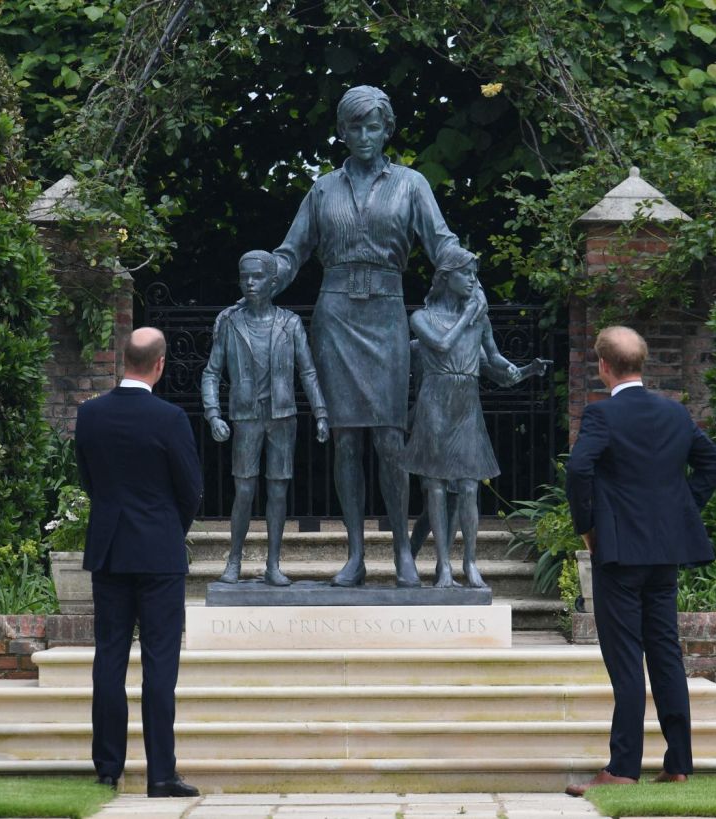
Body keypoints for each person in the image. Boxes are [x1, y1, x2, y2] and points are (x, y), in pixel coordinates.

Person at [273, 84, 473, 588]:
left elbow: (441, 240)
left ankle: (404, 551)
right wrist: (260, 279)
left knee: (389, 437)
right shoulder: (322, 189)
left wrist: (469, 279)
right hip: (336, 316)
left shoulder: (411, 184)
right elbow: (291, 252)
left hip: (385, 314)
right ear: (342, 131)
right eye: (355, 126)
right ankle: (356, 553)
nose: (364, 136)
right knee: (344, 441)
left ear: (388, 130)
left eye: (373, 126)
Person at [563, 326, 716, 796]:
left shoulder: (601, 415)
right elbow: (711, 464)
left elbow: (578, 469)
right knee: (665, 653)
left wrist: (589, 527)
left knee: (626, 660)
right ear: (643, 363)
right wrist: (680, 510)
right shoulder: (674, 413)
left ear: (604, 366)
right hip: (664, 554)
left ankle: (622, 768)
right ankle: (678, 764)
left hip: (618, 554)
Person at [75, 327, 203, 798]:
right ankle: (161, 774)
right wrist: (170, 528)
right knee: (160, 664)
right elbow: (190, 488)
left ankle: (108, 768)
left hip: (110, 551)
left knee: (109, 658)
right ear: (160, 365)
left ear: (122, 360)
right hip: (158, 554)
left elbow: (88, 479)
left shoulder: (89, 415)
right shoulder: (170, 419)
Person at [201, 250, 329, 586]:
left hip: (282, 416)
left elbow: (308, 371)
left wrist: (321, 413)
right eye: (245, 277)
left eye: (257, 277)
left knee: (277, 492)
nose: (250, 283)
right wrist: (213, 414)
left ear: (273, 282)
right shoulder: (230, 323)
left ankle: (273, 563)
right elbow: (211, 373)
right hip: (246, 416)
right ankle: (234, 560)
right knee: (243, 491)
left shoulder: (289, 323)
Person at [402, 249, 520, 588]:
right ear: (446, 278)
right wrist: (468, 314)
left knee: (469, 486)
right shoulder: (422, 317)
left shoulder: (479, 318)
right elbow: (440, 345)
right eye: (466, 273)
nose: (472, 279)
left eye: (474, 273)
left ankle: (469, 562)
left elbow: (494, 357)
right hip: (435, 401)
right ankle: (443, 567)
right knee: (435, 487)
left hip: (466, 402)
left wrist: (516, 369)